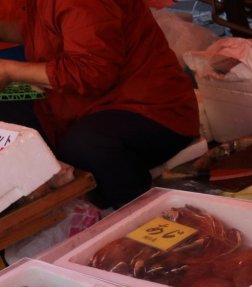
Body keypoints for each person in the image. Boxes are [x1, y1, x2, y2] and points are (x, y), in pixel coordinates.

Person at [0, 0, 200, 208]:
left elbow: (91, 72)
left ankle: (140, 216)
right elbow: (45, 31)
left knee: (83, 147)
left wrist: (9, 71)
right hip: (80, 104)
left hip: (151, 110)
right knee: (9, 119)